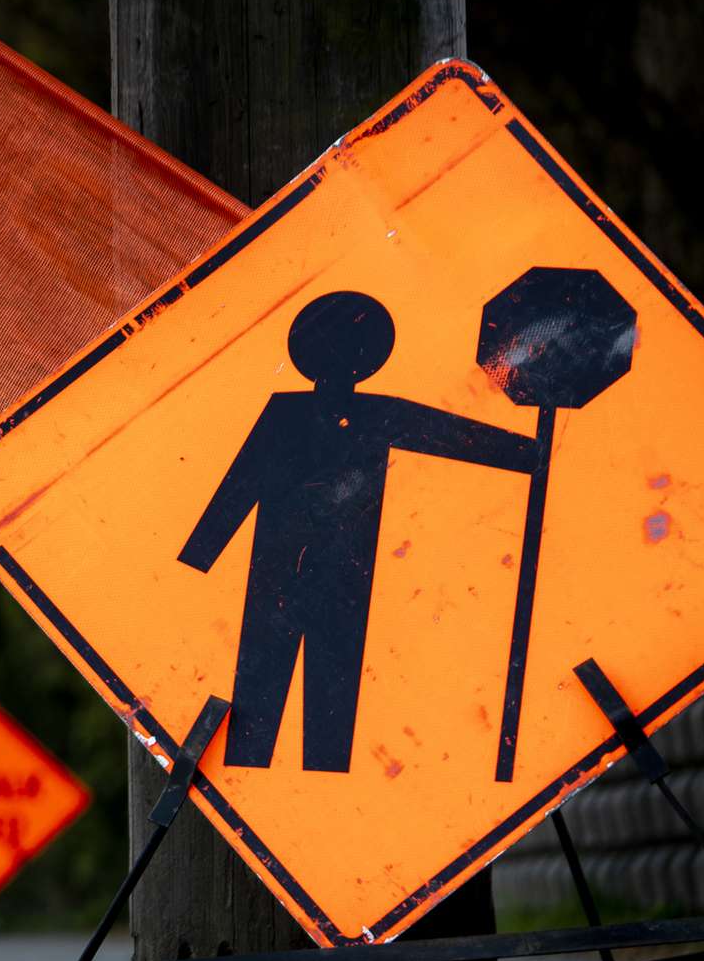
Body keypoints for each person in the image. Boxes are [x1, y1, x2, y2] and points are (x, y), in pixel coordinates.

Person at [179, 291, 538, 772]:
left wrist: (529, 455)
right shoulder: (291, 414)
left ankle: (319, 777)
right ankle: (257, 769)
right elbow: (238, 486)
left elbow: (448, 434)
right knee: (260, 697)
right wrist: (198, 556)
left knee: (331, 693)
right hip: (282, 572)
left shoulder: (369, 413)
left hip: (342, 574)